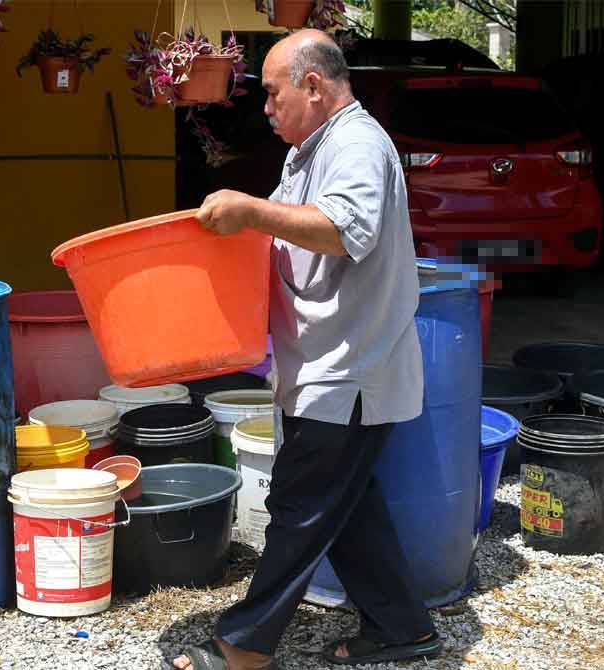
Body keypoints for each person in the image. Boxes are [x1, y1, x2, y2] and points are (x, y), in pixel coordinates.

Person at [171, 29, 442, 670]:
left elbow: (347, 230)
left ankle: (243, 646)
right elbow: (289, 238)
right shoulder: (310, 147)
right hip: (320, 364)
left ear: (313, 86)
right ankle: (404, 631)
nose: (264, 108)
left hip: (348, 371)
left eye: (272, 93)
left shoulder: (355, 143)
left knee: (299, 508)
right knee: (344, 509)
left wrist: (253, 212)